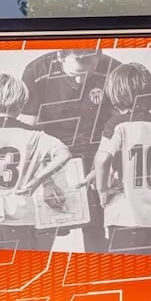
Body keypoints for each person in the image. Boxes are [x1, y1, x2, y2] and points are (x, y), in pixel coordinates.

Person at [20, 48, 121, 251]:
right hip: (52, 162)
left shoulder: (114, 70)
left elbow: (121, 126)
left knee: (97, 236)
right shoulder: (36, 71)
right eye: (74, 74)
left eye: (88, 74)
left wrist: (107, 168)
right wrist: (45, 180)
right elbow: (28, 136)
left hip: (95, 159)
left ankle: (97, 281)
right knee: (42, 234)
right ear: (60, 57)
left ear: (99, 57)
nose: (80, 82)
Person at [92, 63, 151, 254]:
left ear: (115, 95)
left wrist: (102, 190)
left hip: (124, 216)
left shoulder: (117, 124)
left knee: (126, 275)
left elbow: (102, 159)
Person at [0, 73, 72, 252]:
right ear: (21, 104)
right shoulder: (34, 135)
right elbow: (64, 153)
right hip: (21, 213)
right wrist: (38, 180)